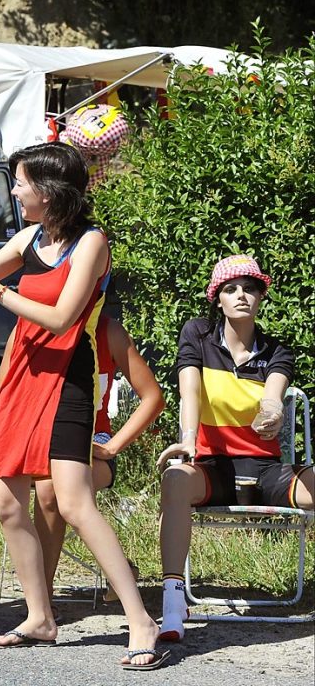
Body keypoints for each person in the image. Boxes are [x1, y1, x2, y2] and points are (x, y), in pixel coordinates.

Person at [0, 142, 164, 669]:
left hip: (67, 376)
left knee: (72, 501)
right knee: (5, 499)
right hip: (21, 370)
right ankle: (40, 617)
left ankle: (140, 619)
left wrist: (1, 295)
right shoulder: (29, 237)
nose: (14, 190)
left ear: (49, 190)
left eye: (19, 182)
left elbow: (64, 318)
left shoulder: (91, 242)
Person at [156, 255, 311, 643]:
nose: (241, 294)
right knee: (175, 479)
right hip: (212, 467)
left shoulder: (277, 350)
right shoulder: (197, 334)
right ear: (218, 299)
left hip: (265, 470)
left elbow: (274, 396)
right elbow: (188, 389)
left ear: (261, 296)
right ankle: (173, 606)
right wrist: (188, 438)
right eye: (231, 288)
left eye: (249, 287)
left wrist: (272, 414)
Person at [0, 313, 164, 606]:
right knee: (33, 489)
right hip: (33, 440)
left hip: (91, 441)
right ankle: (114, 570)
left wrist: (113, 447)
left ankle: (41, 599)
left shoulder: (107, 331)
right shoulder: (26, 327)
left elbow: (153, 398)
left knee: (51, 489)